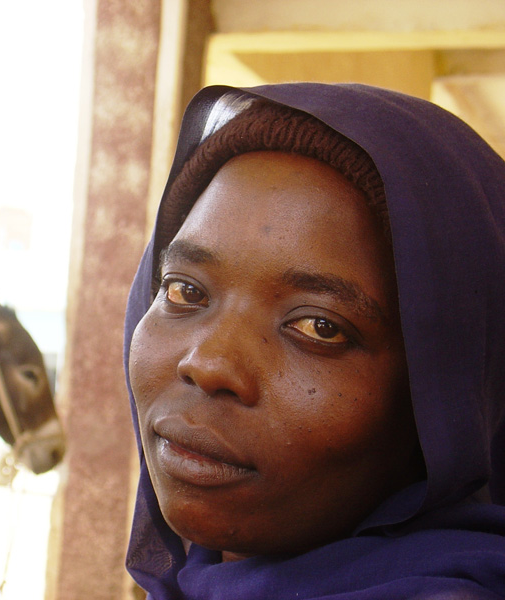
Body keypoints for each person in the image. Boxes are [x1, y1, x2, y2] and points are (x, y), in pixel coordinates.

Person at [123, 83, 505, 599]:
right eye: (184, 290)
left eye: (319, 326)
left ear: (447, 402)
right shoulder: (201, 581)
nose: (208, 363)